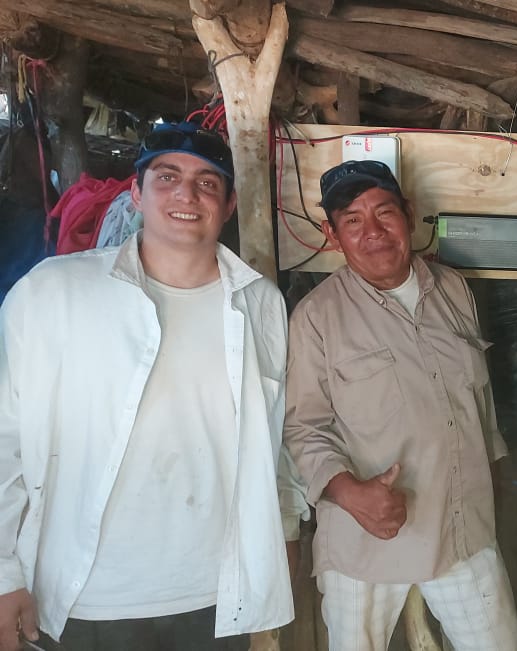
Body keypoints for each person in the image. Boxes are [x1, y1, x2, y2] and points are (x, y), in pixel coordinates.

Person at [0, 121, 309, 651]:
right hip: (85, 598)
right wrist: (4, 574)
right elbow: (5, 436)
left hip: (213, 594)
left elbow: (272, 435)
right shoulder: (55, 292)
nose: (187, 194)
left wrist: (283, 533)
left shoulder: (261, 303)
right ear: (136, 195)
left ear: (229, 205)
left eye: (207, 183)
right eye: (167, 177)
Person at [284, 160, 517, 651]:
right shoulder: (316, 317)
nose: (372, 231)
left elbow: (479, 404)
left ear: (409, 215)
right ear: (332, 235)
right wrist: (349, 493)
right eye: (352, 220)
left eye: (384, 212)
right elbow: (304, 427)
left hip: (463, 532)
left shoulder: (453, 289)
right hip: (366, 540)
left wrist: (494, 484)